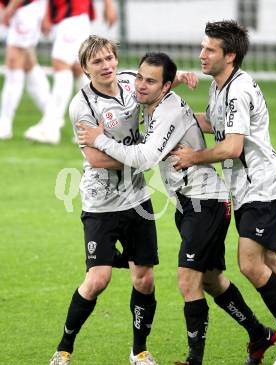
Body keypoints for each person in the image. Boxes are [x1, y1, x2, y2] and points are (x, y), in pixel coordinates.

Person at [77, 51, 276, 365]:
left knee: (188, 279)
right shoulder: (151, 99)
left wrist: (99, 139)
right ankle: (259, 334)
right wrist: (183, 74)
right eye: (140, 78)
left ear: (165, 86)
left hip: (206, 203)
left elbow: (145, 158)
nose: (140, 86)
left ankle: (193, 360)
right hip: (188, 205)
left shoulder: (167, 109)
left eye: (150, 81)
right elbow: (131, 84)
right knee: (212, 280)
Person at [171, 20, 276, 365]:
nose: (202, 55)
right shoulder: (220, 85)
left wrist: (192, 157)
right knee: (270, 264)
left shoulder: (238, 90)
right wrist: (171, 113)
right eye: (202, 47)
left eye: (210, 49)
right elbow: (212, 122)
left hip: (262, 187)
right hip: (248, 188)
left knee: (251, 264)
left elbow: (232, 146)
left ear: (231, 55)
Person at [49, 36, 197, 365]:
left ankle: (139, 351)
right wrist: (143, 156)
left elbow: (154, 82)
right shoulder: (82, 106)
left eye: (109, 59)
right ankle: (64, 347)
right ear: (85, 68)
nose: (107, 66)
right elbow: (96, 158)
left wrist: (182, 74)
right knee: (98, 279)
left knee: (143, 278)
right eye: (97, 62)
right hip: (101, 201)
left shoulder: (130, 81)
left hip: (138, 198)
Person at [24, 0, 117, 145]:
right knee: (78, 69)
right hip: (69, 16)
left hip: (72, 15)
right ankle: (97, 127)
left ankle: (51, 127)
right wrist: (48, 15)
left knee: (61, 64)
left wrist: (108, 5)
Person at [0, 0, 50, 140]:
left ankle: (4, 124)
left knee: (14, 60)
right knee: (28, 63)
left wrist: (10, 8)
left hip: (24, 7)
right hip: (21, 8)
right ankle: (52, 117)